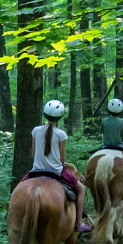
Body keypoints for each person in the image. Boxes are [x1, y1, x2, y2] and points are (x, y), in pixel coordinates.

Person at [31, 100, 90, 234]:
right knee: (81, 189)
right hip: (56, 172)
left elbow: (33, 153)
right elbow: (61, 160)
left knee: (20, 187)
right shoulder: (61, 134)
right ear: (60, 117)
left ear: (45, 114)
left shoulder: (35, 131)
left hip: (35, 171)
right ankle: (79, 222)